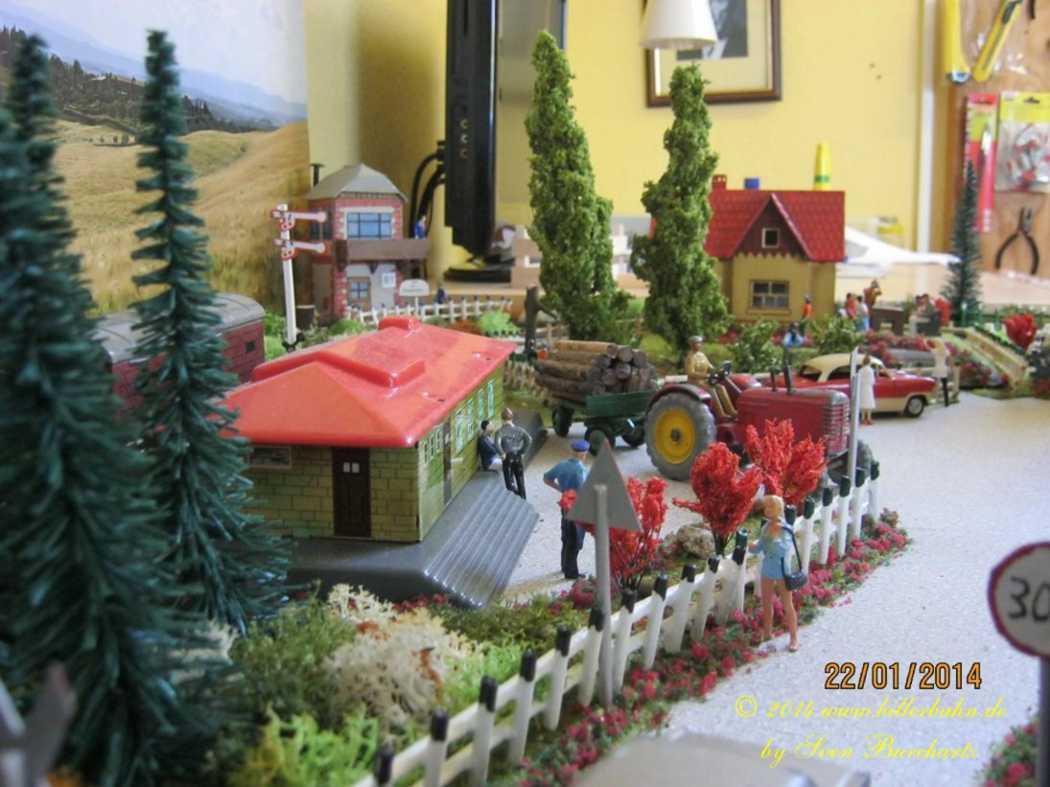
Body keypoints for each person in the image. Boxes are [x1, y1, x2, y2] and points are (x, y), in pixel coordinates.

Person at [748, 495, 799, 652]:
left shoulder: (785, 528)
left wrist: (775, 537)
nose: (767, 510)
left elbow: (783, 550)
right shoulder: (766, 527)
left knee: (787, 604)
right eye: (766, 507)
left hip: (782, 570)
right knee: (766, 603)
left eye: (771, 507)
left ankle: (794, 637)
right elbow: (761, 546)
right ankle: (767, 633)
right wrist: (752, 546)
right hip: (768, 569)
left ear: (779, 509)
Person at [543, 439, 590, 579]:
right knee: (575, 541)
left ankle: (564, 566)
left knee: (566, 537)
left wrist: (562, 490)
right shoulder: (580, 470)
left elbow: (547, 479)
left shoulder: (562, 465)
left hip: (565, 504)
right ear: (583, 454)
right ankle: (571, 573)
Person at [685, 335, 735, 418]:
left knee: (721, 387)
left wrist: (718, 371)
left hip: (705, 381)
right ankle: (721, 414)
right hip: (695, 382)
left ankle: (731, 410)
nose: (698, 345)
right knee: (711, 389)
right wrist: (706, 375)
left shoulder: (702, 355)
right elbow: (690, 373)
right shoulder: (690, 357)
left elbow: (710, 367)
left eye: (699, 343)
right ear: (691, 345)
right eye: (696, 343)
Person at [497, 407, 531, 499]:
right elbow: (529, 440)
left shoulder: (500, 431)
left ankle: (515, 496)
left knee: (509, 483)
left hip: (507, 458)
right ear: (512, 418)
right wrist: (522, 451)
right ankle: (523, 498)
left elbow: (497, 444)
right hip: (518, 456)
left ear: (502, 419)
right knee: (520, 481)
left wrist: (502, 453)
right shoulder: (520, 430)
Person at [929, 338, 951, 407]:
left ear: (937, 343)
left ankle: (931, 399)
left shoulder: (934, 351)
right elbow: (949, 356)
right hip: (944, 368)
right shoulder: (946, 351)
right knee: (945, 386)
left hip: (937, 368)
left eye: (935, 343)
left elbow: (928, 348)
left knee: (932, 384)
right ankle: (946, 402)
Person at [858, 354, 877, 425]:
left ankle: (863, 419)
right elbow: (872, 381)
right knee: (869, 403)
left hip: (862, 388)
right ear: (869, 362)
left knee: (863, 403)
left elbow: (859, 380)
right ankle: (869, 419)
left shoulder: (860, 370)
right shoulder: (870, 370)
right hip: (868, 388)